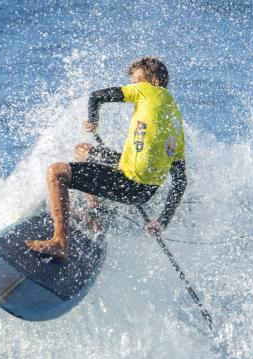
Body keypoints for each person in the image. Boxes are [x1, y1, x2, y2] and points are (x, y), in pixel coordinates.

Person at [25, 56, 187, 260]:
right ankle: (95, 213)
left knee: (56, 172)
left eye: (136, 82)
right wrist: (163, 221)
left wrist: (93, 121)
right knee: (84, 150)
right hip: (145, 190)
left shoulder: (148, 91)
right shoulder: (176, 122)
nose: (133, 86)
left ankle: (59, 242)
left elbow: (96, 97)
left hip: (128, 182)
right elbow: (181, 182)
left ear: (154, 81)